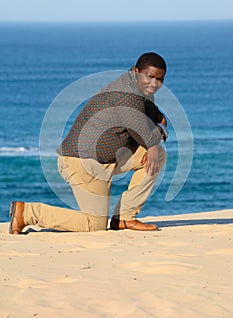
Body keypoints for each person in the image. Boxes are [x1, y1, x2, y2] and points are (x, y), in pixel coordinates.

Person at [9, 52, 168, 234]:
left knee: (158, 155)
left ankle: (125, 217)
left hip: (107, 160)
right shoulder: (127, 94)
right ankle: (27, 213)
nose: (154, 84)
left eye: (159, 79)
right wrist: (155, 141)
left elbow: (155, 117)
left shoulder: (141, 90)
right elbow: (142, 131)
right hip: (83, 162)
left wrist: (159, 130)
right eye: (150, 77)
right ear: (136, 71)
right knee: (95, 225)